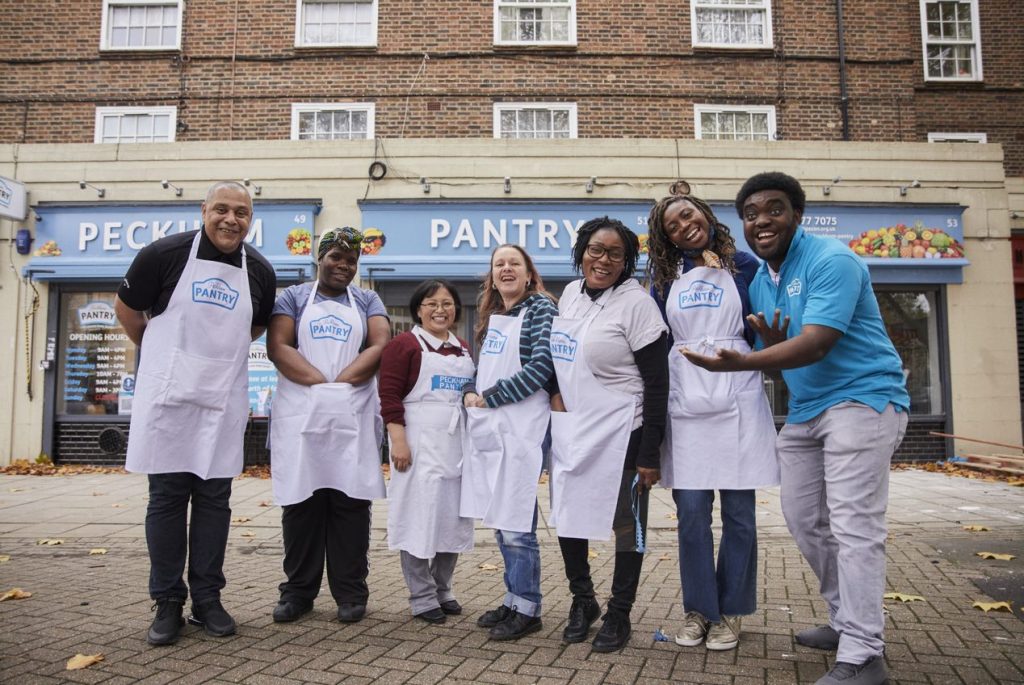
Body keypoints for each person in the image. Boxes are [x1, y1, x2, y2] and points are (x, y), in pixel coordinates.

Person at [683, 172, 909, 685]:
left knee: (854, 527)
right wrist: (766, 356)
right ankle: (845, 620)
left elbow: (818, 343)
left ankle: (864, 652)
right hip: (808, 411)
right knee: (806, 521)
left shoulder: (833, 260)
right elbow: (784, 364)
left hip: (863, 400)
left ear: (797, 214)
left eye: (774, 209)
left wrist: (743, 362)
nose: (761, 220)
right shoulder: (763, 279)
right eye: (751, 213)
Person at [115, 181, 277, 646]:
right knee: (166, 500)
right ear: (203, 210)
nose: (231, 220)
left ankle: (208, 600)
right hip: (168, 401)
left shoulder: (260, 270)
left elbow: (257, 326)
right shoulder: (162, 255)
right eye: (222, 210)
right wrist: (166, 355)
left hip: (220, 401)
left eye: (242, 213)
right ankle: (167, 602)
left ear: (251, 218)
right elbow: (126, 311)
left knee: (214, 502)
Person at [647, 186, 779, 652]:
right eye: (673, 226)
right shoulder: (664, 278)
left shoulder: (745, 266)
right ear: (666, 238)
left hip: (737, 393)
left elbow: (763, 326)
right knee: (692, 514)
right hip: (686, 400)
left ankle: (733, 612)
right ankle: (701, 609)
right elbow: (657, 343)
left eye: (688, 215)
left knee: (740, 515)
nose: (684, 226)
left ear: (703, 212)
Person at [548, 217, 668, 652]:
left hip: (625, 431)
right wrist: (556, 395)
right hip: (576, 429)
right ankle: (584, 601)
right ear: (581, 251)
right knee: (569, 516)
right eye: (596, 250)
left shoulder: (637, 305)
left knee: (626, 524)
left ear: (627, 261)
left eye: (615, 254)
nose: (603, 260)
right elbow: (559, 358)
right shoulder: (570, 295)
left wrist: (650, 451)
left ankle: (619, 613)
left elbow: (657, 382)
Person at [266, 227, 390, 625]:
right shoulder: (293, 297)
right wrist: (322, 387)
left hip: (351, 414)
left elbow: (379, 344)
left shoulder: (368, 299)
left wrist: (340, 386)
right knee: (301, 505)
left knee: (350, 504)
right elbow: (279, 346)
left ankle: (351, 591)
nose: (343, 266)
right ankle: (298, 592)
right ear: (320, 258)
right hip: (302, 414)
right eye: (336, 257)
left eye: (351, 260)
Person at [461, 243, 557, 641]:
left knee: (517, 522)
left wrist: (492, 396)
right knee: (501, 518)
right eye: (498, 264)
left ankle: (528, 607)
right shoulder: (493, 315)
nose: (505, 269)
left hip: (522, 426)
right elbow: (481, 369)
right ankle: (513, 598)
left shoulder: (540, 309)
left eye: (513, 263)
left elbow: (542, 365)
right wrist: (469, 389)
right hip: (493, 427)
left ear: (529, 272)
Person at [379, 280, 476, 624]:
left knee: (453, 518)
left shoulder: (462, 348)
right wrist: (398, 440)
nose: (440, 310)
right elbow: (389, 396)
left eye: (447, 303)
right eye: (432, 303)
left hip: (455, 446)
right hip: (417, 444)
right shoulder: (404, 345)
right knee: (418, 519)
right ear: (418, 309)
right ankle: (421, 595)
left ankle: (443, 587)